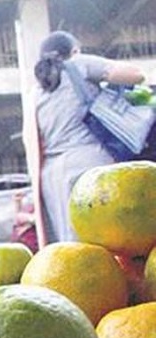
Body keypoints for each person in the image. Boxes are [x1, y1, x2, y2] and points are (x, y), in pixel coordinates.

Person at [33, 31, 145, 243]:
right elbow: (135, 75)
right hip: (90, 161)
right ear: (73, 51)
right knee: (110, 238)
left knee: (70, 245)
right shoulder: (78, 63)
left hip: (53, 175)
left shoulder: (37, 90)